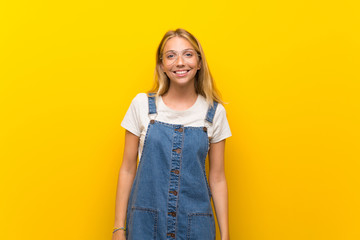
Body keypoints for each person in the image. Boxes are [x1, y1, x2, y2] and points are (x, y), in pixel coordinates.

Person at [112, 28, 232, 240]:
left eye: (188, 54)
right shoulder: (141, 105)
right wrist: (118, 228)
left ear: (199, 62)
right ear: (162, 65)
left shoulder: (214, 113)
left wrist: (225, 236)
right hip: (145, 225)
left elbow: (218, 178)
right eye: (171, 55)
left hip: (196, 226)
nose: (180, 62)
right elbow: (127, 169)